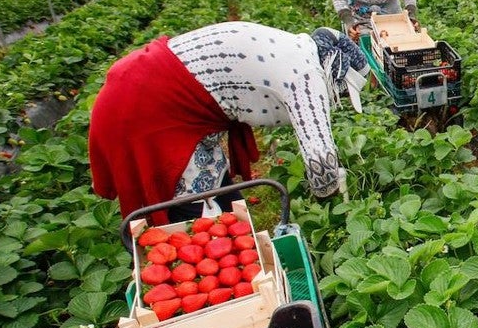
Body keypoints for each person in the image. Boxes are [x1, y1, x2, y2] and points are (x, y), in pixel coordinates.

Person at [89, 22, 371, 224]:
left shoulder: (297, 48)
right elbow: (320, 161)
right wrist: (339, 207)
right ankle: (204, 261)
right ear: (335, 72)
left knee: (217, 183)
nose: (341, 99)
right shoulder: (306, 76)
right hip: (148, 104)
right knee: (196, 202)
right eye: (344, 92)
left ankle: (230, 235)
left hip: (147, 83)